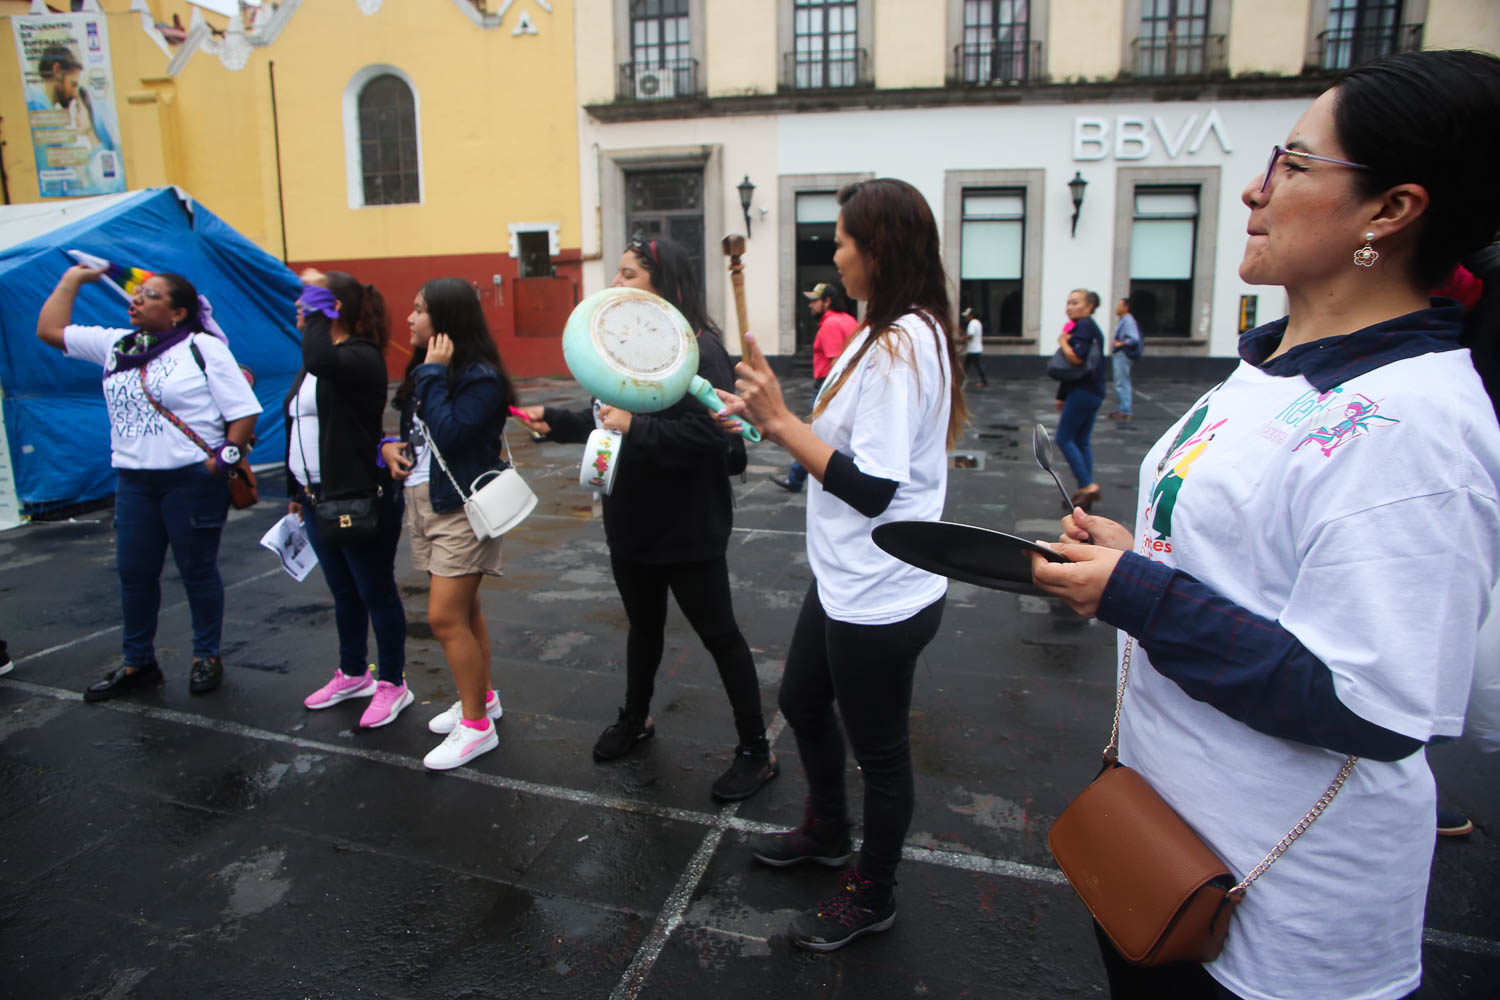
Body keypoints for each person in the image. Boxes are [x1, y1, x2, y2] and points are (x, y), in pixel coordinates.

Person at [1029, 49, 1500, 1000]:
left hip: (1273, 921)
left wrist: (1138, 591)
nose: (1254, 189)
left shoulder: (1414, 424)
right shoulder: (1275, 363)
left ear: (1390, 211)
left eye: (1292, 164)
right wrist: (1136, 556)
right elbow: (1243, 569)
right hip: (1164, 836)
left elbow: (1376, 703)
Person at [724, 178, 966, 951]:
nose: (833, 253)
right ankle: (829, 831)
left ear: (878, 250)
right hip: (846, 577)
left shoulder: (901, 344)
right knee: (800, 698)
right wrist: (768, 413)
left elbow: (871, 487)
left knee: (882, 752)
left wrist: (781, 420)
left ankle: (874, 890)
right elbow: (840, 440)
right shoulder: (880, 329)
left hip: (882, 590)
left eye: (842, 241)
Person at [515, 236, 775, 802]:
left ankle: (756, 749)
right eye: (619, 273)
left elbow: (716, 439)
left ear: (664, 284)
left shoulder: (699, 349)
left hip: (689, 522)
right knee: (644, 627)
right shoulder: (625, 347)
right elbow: (607, 419)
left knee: (720, 635)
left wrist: (639, 429)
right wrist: (557, 422)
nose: (617, 284)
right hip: (630, 514)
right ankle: (636, 718)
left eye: (629, 274)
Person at [37, 264, 261, 701]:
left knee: (197, 572)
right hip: (134, 482)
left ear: (178, 312)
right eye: (138, 294)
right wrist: (73, 280)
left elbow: (243, 409)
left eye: (151, 295)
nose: (136, 299)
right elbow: (50, 330)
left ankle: (205, 657)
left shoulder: (203, 347)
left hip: (190, 481)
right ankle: (138, 663)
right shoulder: (117, 344)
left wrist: (222, 462)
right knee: (135, 574)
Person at [380, 279, 514, 770]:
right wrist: (390, 449)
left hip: (460, 509)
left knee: (443, 618)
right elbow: (419, 435)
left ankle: (477, 727)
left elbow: (454, 436)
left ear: (446, 322)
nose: (409, 320)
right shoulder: (428, 369)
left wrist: (434, 374)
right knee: (465, 608)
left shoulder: (478, 377)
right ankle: (482, 698)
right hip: (425, 501)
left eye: (419, 311)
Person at [288, 269, 410, 728]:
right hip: (316, 495)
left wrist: (320, 304)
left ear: (332, 308)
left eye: (310, 300)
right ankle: (354, 672)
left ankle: (393, 682)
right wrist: (294, 491)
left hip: (357, 495)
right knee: (343, 592)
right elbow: (297, 426)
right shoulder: (319, 358)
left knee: (375, 590)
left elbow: (321, 359)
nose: (300, 306)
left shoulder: (359, 356)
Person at [773, 281, 858, 493]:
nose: (810, 306)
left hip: (827, 386)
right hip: (850, 385)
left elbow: (835, 363)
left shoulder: (829, 325)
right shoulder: (849, 321)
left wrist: (829, 396)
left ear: (827, 302)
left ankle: (795, 479)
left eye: (814, 301)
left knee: (812, 435)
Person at [1054, 289, 1105, 509]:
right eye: (1068, 303)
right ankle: (1086, 487)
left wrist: (1063, 342)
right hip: (1093, 390)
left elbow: (1077, 359)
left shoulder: (1083, 325)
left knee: (1064, 438)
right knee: (1081, 440)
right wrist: (1062, 395)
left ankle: (1087, 486)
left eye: (1075, 302)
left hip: (1083, 391)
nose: (1070, 307)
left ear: (1089, 306)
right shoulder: (1090, 327)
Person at [1107, 297, 1141, 422]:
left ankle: (1125, 411)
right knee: (1120, 382)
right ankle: (1123, 409)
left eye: (1120, 305)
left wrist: (1120, 344)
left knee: (1122, 382)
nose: (1117, 307)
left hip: (1123, 355)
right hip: (1120, 355)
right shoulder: (1124, 320)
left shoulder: (1128, 321)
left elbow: (1134, 338)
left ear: (1126, 307)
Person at [960, 306, 989, 388]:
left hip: (973, 349)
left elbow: (970, 336)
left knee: (970, 366)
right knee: (968, 366)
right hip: (976, 348)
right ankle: (962, 380)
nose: (966, 318)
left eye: (967, 316)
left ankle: (962, 381)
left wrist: (962, 338)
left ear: (971, 316)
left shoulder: (972, 324)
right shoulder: (978, 323)